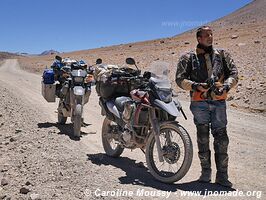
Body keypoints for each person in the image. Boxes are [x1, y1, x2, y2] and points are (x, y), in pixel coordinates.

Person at [175, 26, 238, 187]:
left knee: (221, 138)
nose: (210, 37)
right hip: (199, 102)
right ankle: (205, 173)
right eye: (206, 35)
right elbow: (179, 79)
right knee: (202, 138)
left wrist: (226, 86)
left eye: (211, 34)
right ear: (199, 38)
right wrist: (196, 85)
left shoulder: (222, 54)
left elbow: (234, 74)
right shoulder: (188, 57)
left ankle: (222, 175)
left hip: (218, 101)